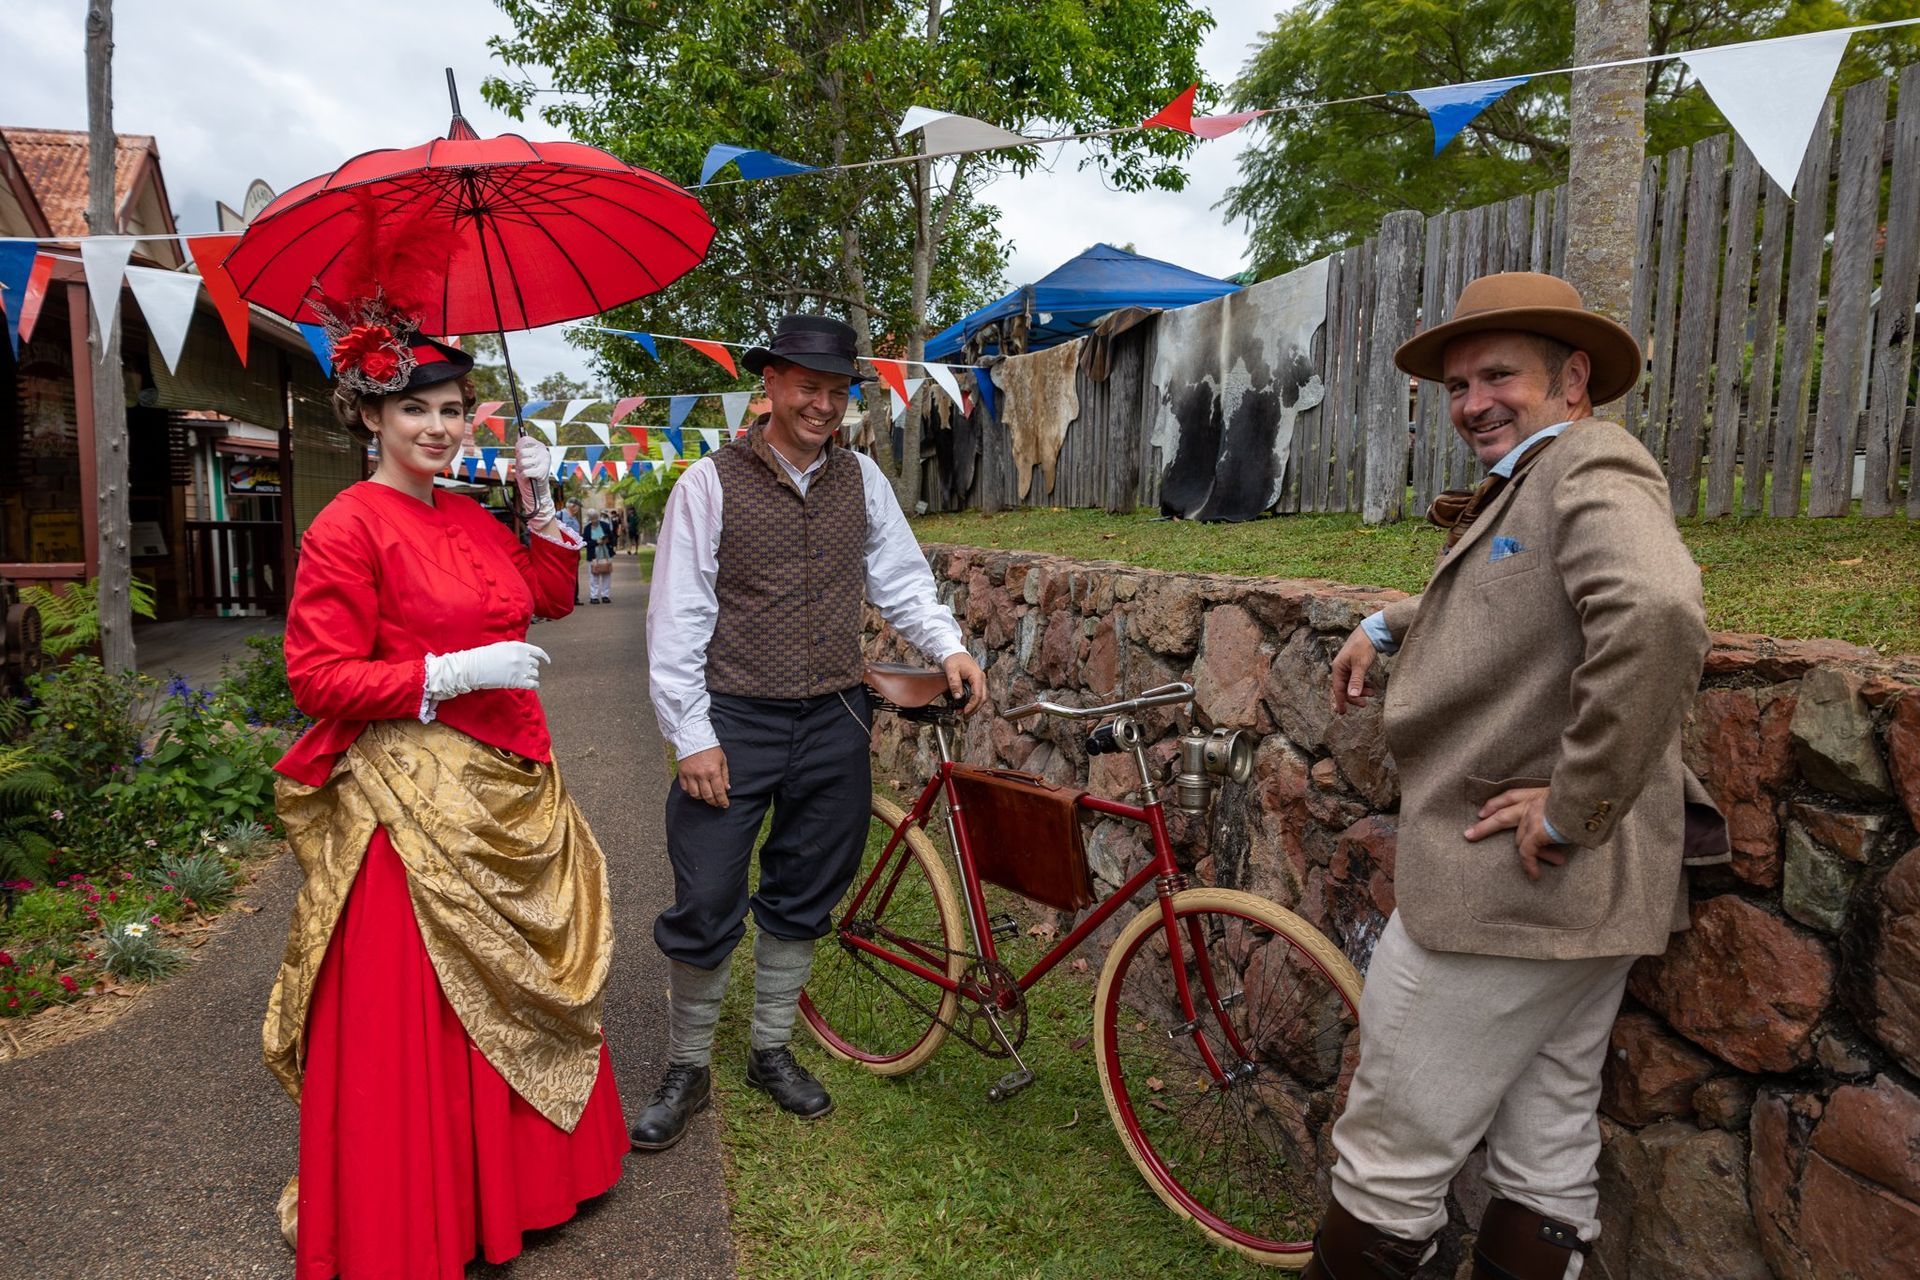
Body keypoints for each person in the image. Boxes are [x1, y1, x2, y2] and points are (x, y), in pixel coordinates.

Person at [1311, 272, 1722, 1280]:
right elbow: (1518, 600)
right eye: (1457, 384)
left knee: (1388, 1162)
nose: (1473, 401)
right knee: (1544, 1164)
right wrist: (1387, 622)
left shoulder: (1590, 463)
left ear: (1573, 377)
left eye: (1499, 374)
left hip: (1508, 887)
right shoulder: (1536, 482)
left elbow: (1658, 613)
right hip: (1580, 907)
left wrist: (1574, 806)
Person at [263, 282, 625, 1280]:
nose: (437, 424)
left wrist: (540, 501)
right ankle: (429, 1208)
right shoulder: (348, 525)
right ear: (370, 413)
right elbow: (315, 673)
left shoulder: (468, 515)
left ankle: (530, 1181)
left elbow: (544, 596)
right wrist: (445, 674)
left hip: (515, 776)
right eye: (415, 406)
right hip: (413, 805)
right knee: (432, 1012)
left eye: (452, 406)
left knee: (523, 983)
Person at [638, 314, 986, 1150]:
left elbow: (900, 577)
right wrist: (691, 734)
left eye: (837, 391)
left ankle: (770, 1049)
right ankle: (688, 1066)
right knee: (710, 891)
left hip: (833, 715)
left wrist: (948, 645)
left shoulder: (861, 479)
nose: (823, 405)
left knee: (805, 887)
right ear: (769, 386)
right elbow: (678, 618)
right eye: (808, 387)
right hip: (734, 717)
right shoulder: (709, 484)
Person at [584, 508, 615, 603]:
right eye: (592, 519)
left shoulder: (605, 525)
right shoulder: (587, 528)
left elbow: (612, 538)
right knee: (594, 576)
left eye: (596, 518)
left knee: (606, 575)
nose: (595, 520)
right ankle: (594, 597)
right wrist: (596, 542)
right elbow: (585, 543)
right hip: (593, 555)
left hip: (605, 554)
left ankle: (605, 595)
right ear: (589, 519)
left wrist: (607, 540)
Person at [559, 499, 584, 605]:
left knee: (574, 574)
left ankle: (574, 598)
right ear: (573, 506)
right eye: (578, 506)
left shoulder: (575, 518)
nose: (578, 509)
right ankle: (564, 598)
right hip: (564, 550)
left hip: (574, 551)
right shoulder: (559, 515)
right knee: (563, 574)